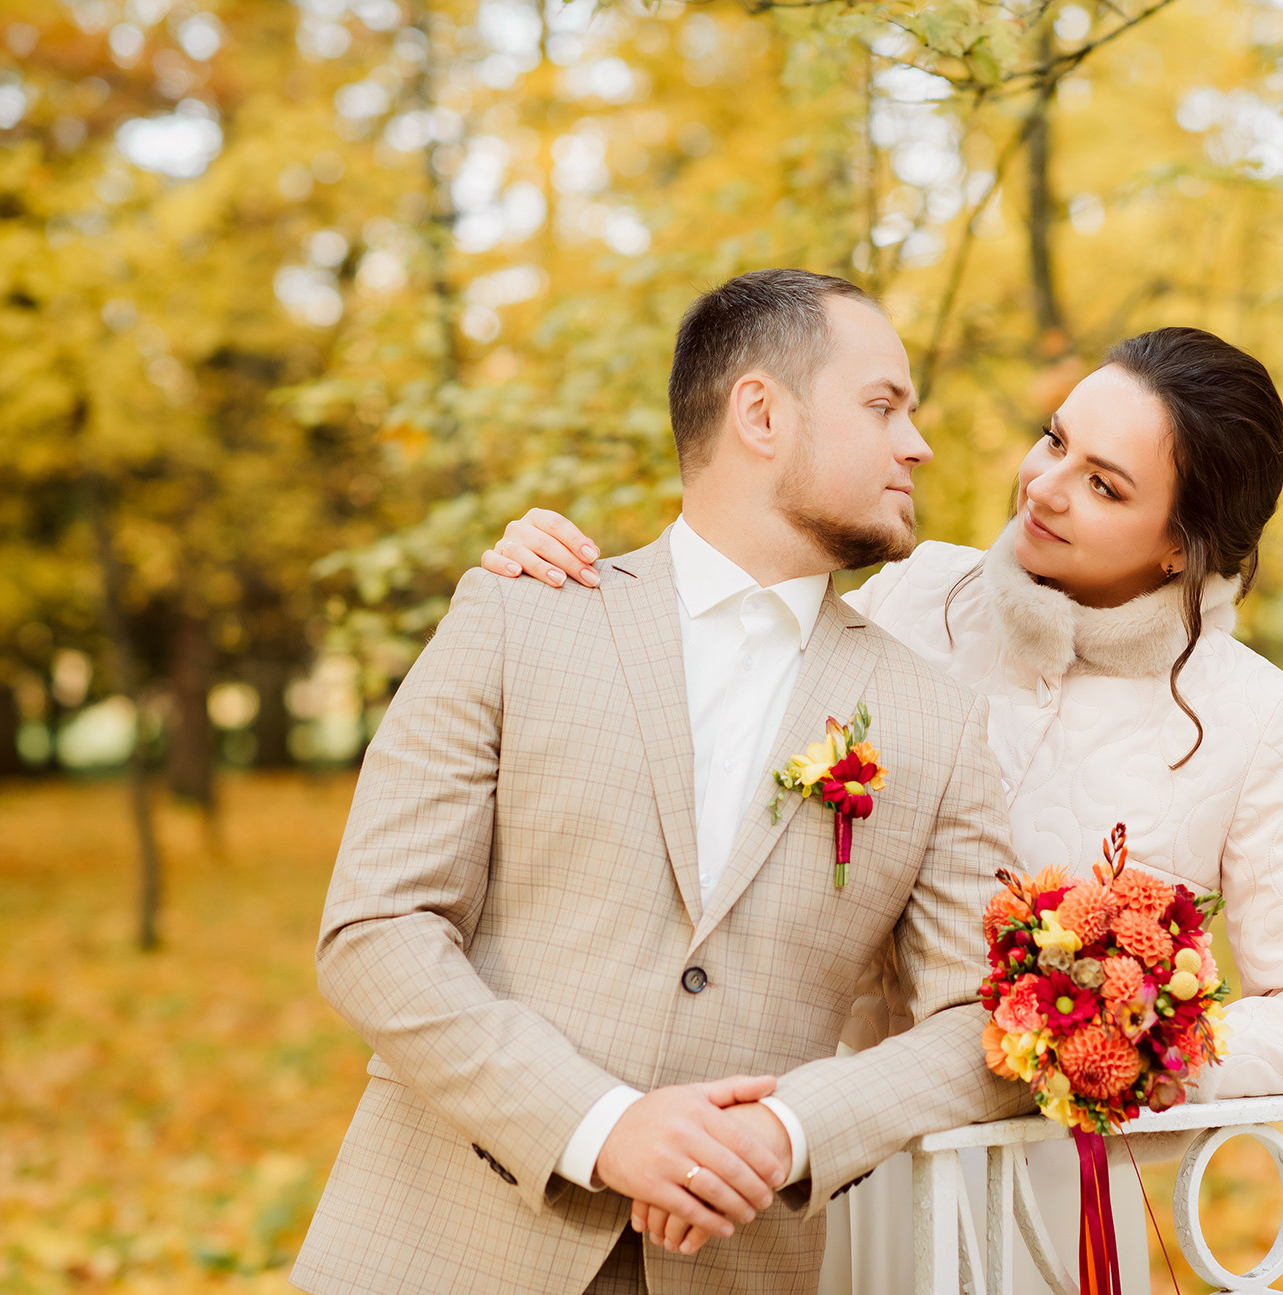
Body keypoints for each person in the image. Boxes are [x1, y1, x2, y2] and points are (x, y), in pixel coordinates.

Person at [481, 324, 1283, 1292]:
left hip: (1047, 1200)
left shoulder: (1250, 714)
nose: (1043, 486)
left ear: (1180, 546)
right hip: (799, 1155)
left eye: (1103, 484)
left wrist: (1139, 1040)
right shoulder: (913, 596)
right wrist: (582, 583)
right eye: (1053, 440)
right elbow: (710, 714)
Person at [290, 268, 1033, 1295]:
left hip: (737, 1261)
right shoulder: (519, 613)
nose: (918, 443)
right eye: (883, 405)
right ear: (761, 413)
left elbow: (989, 1026)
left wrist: (786, 1131)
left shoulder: (937, 723)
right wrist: (598, 1124)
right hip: (445, 1245)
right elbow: (375, 929)